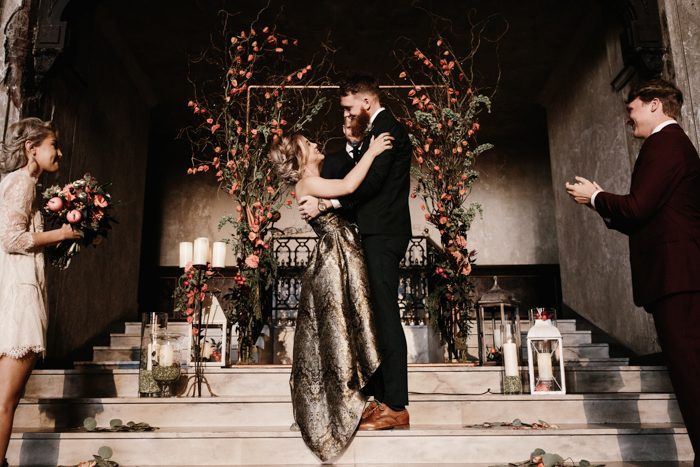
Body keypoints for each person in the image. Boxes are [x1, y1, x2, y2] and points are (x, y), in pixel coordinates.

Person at [566, 79, 700, 466]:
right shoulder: (670, 145)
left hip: (678, 278)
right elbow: (646, 216)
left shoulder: (666, 143)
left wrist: (595, 195)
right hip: (678, 277)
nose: (629, 119)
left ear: (655, 105)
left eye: (632, 109)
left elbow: (639, 208)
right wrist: (599, 203)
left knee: (691, 376)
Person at [270, 130, 393, 461]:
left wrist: (328, 202)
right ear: (301, 158)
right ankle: (353, 402)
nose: (315, 144)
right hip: (335, 257)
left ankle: (366, 397)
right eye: (308, 144)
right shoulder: (307, 184)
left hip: (344, 252)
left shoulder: (317, 184)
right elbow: (351, 186)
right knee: (343, 327)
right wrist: (373, 152)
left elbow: (349, 197)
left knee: (354, 323)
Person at [299, 74, 413, 431]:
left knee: (385, 317)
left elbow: (372, 184)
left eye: (349, 107)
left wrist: (327, 202)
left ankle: (397, 406)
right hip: (372, 235)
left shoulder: (387, 130)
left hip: (383, 235)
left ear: (365, 101)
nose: (346, 115)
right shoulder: (374, 133)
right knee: (374, 319)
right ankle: (381, 400)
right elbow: (357, 180)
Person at [0, 118, 81, 466]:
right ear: (32, 149)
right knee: (6, 401)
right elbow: (11, 239)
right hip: (19, 296)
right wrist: (62, 235)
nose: (59, 151)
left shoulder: (20, 184)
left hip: (18, 288)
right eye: (54, 144)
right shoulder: (21, 184)